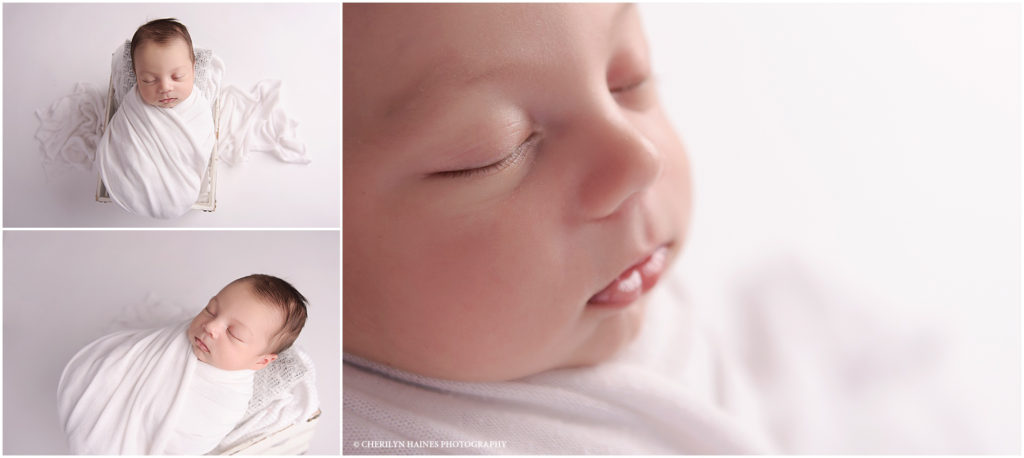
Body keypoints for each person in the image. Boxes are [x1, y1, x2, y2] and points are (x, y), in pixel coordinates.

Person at [58, 274, 308, 454]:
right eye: (211, 310)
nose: (210, 327)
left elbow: (189, 442)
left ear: (260, 361)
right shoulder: (181, 337)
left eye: (233, 333)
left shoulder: (227, 399)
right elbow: (139, 352)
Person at [97, 18, 215, 219]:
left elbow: (201, 143)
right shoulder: (134, 106)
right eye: (149, 80)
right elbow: (124, 142)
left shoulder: (198, 108)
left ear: (194, 68)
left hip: (180, 182)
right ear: (136, 75)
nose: (165, 87)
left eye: (177, 76)